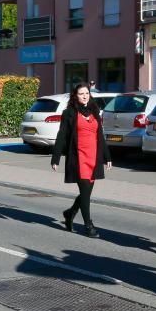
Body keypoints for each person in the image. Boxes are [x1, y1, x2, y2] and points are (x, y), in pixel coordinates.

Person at [51, 83, 113, 238]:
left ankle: (70, 213)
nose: (85, 96)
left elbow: (100, 136)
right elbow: (62, 135)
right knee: (85, 191)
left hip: (94, 157)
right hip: (78, 157)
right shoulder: (69, 113)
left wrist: (107, 157)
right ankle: (88, 226)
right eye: (81, 93)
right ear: (75, 96)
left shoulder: (95, 111)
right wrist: (56, 158)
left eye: (87, 93)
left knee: (86, 193)